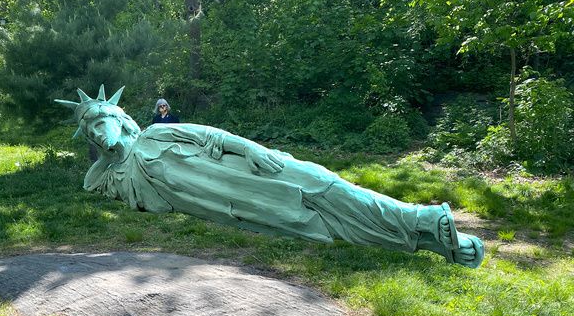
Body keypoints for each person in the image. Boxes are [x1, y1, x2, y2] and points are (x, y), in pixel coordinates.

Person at [56, 86, 484, 268]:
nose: (98, 132)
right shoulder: (116, 175)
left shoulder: (157, 132)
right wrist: (104, 156)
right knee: (331, 225)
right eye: (90, 130)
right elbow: (93, 179)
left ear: (120, 118)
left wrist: (255, 151)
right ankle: (429, 242)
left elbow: (214, 135)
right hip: (244, 205)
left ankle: (420, 218)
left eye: (102, 122)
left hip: (250, 167)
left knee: (324, 185)